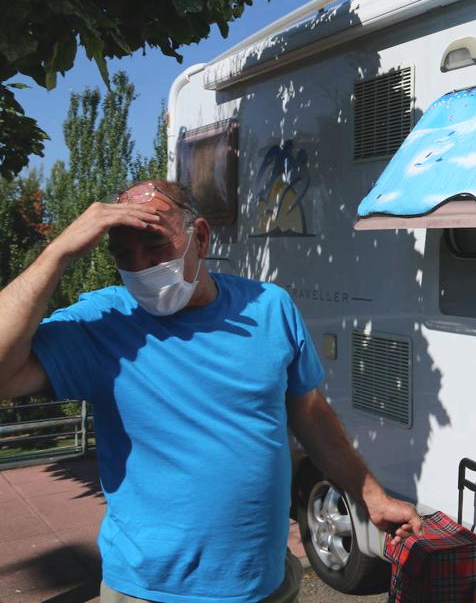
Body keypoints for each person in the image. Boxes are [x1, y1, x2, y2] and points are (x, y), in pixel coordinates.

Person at [0, 180, 423, 602]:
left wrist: (372, 496)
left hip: (265, 585)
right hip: (148, 592)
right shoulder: (102, 320)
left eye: (156, 246)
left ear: (200, 238)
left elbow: (309, 414)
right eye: (124, 256)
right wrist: (58, 253)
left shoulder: (269, 307)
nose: (142, 267)